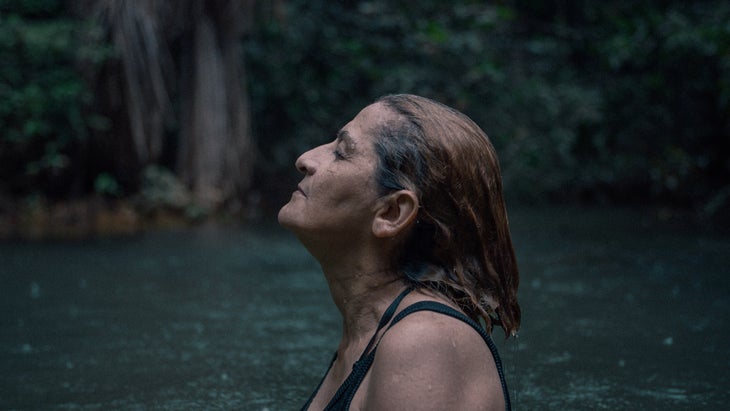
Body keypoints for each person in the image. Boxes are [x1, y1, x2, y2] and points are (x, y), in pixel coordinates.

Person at [278, 94, 521, 411]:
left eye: (341, 152)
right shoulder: (367, 336)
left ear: (391, 213)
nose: (306, 159)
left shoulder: (423, 343)